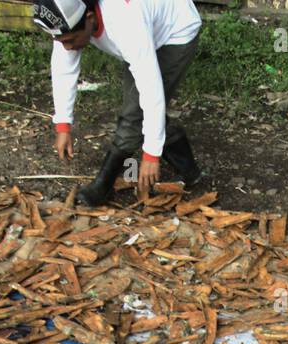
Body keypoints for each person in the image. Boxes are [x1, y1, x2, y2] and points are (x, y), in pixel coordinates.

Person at [32, 0, 203, 206]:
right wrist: (63, 125)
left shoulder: (125, 23)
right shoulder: (68, 19)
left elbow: (151, 89)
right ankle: (189, 169)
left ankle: (103, 186)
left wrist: (151, 155)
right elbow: (63, 68)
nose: (67, 46)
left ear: (90, 18)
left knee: (134, 114)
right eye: (61, 41)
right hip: (146, 28)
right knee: (140, 111)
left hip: (176, 30)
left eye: (71, 40)